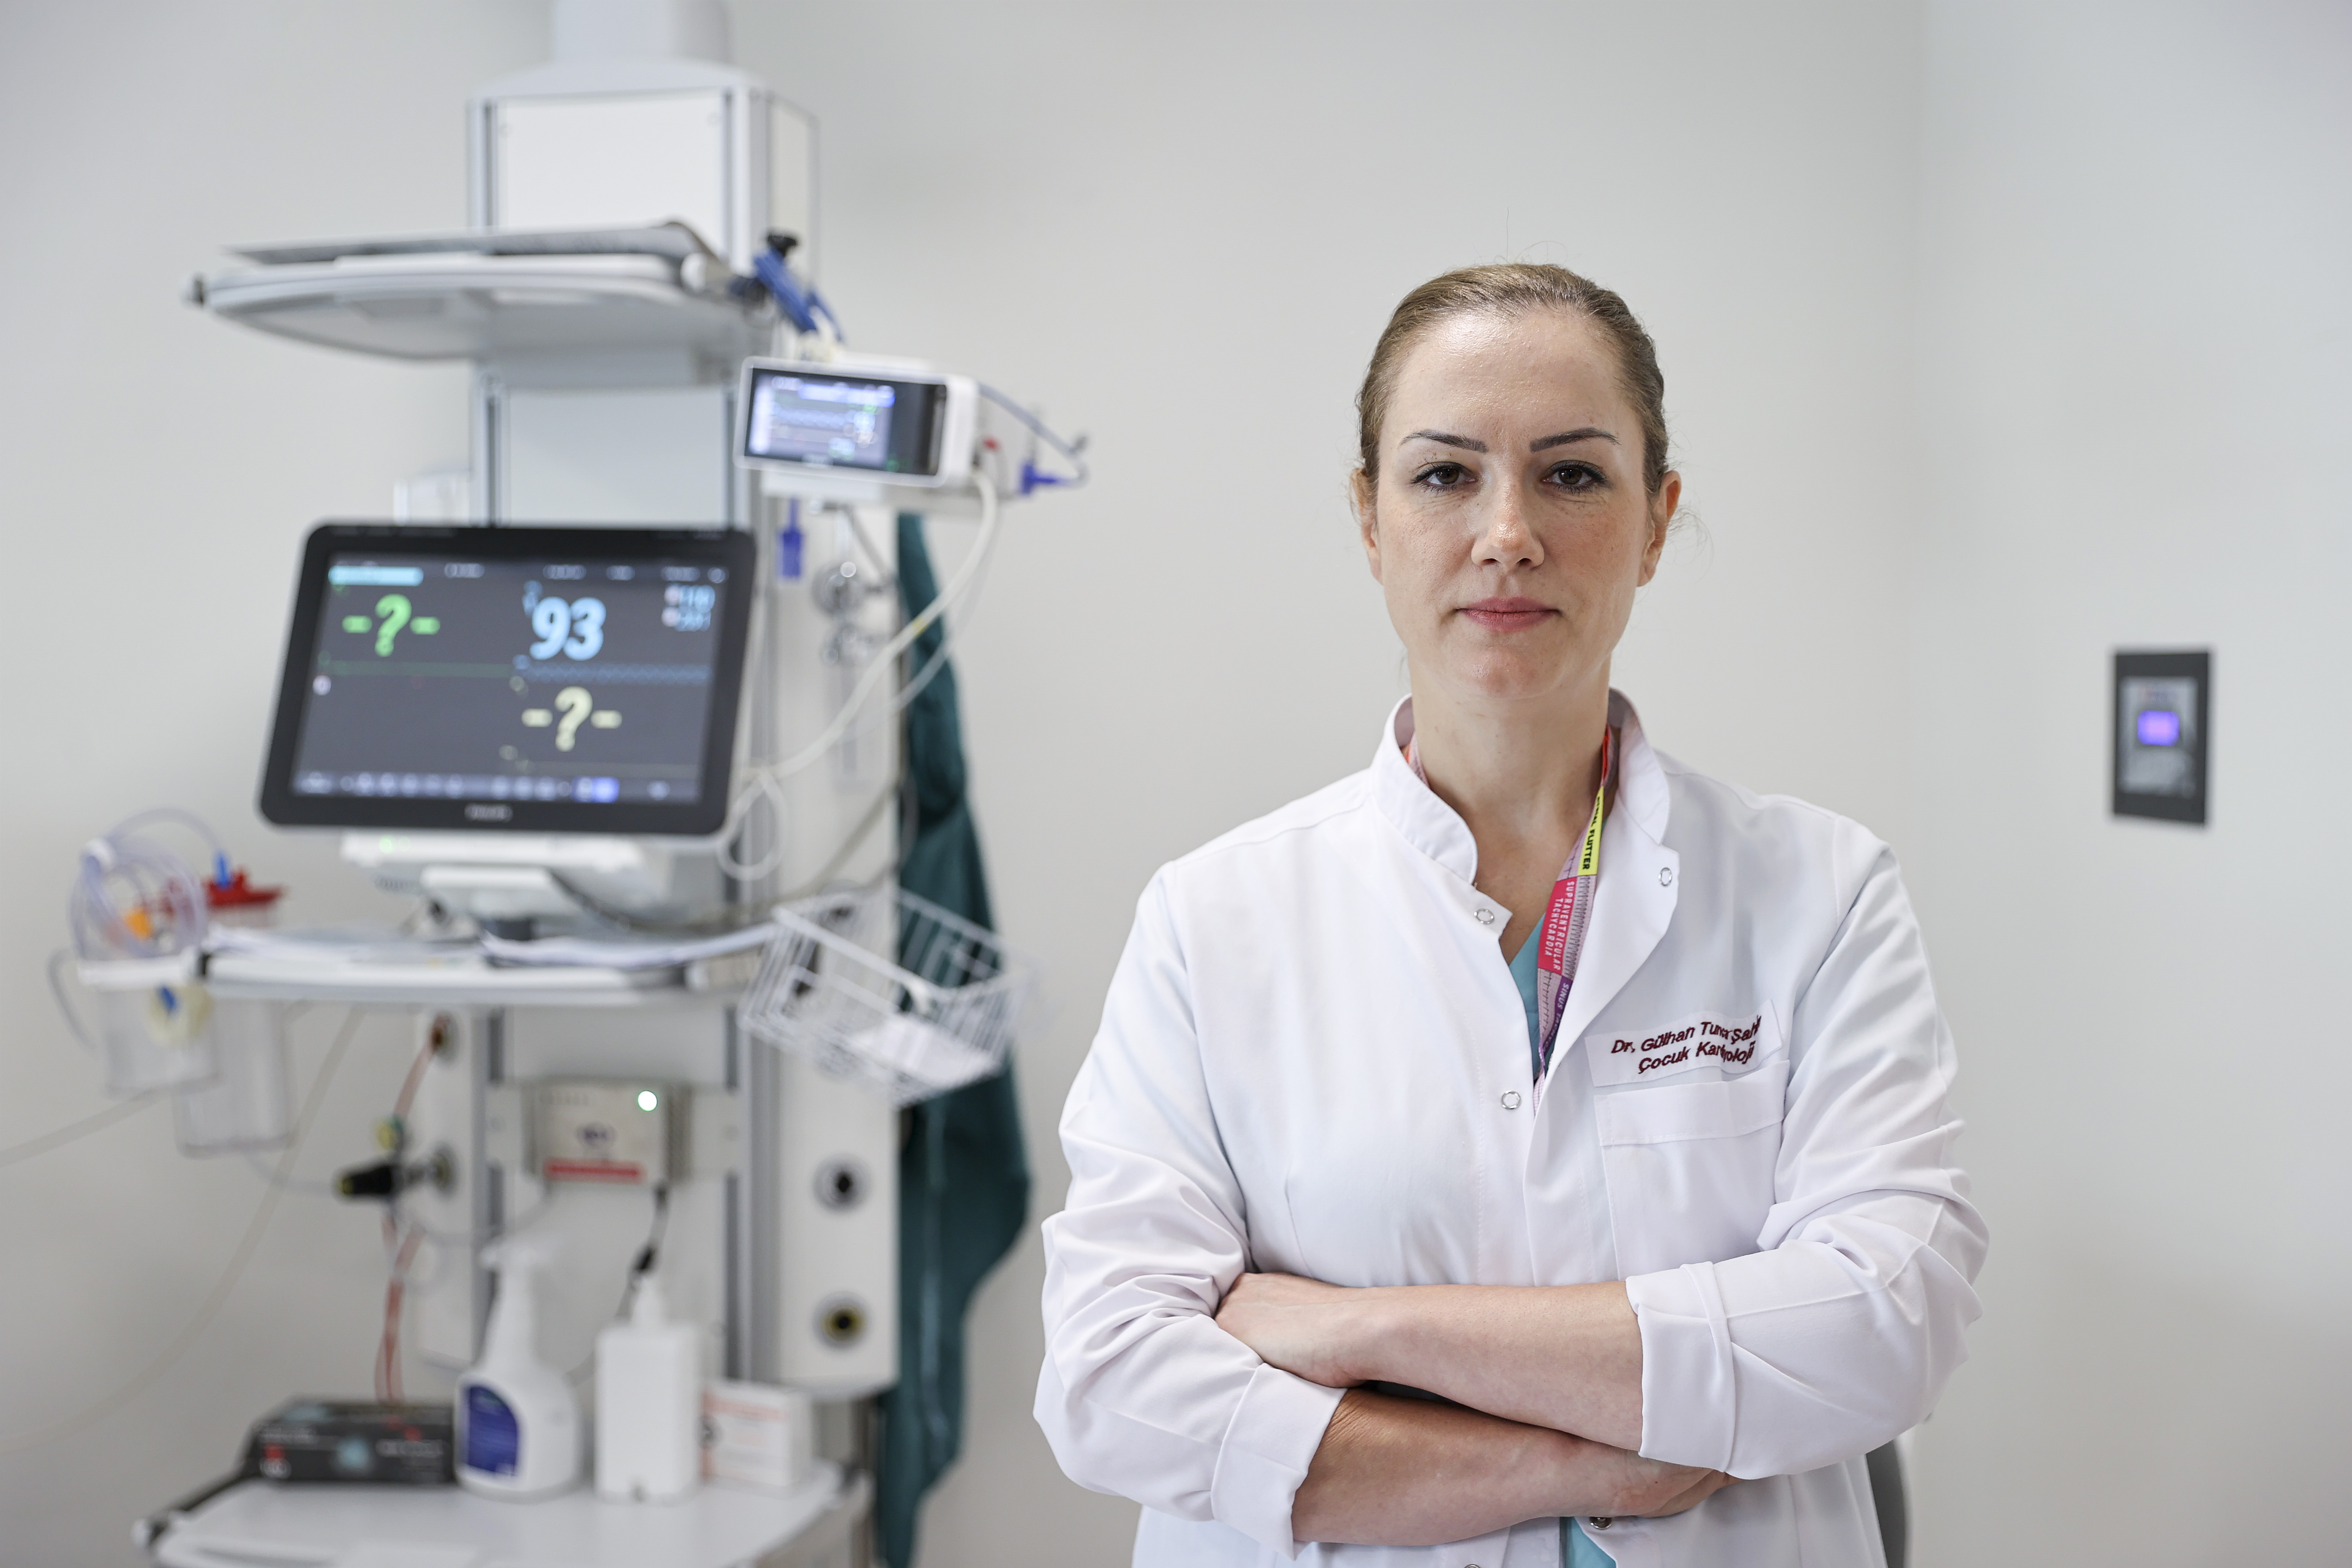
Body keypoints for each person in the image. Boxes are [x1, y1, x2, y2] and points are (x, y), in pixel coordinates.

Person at [1035, 263, 1985, 1568]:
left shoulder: (1819, 893)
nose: (1508, 533)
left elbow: (1889, 1324)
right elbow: (1112, 1384)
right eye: (1444, 475)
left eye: (1572, 475)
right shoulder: (1217, 920)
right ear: (1369, 520)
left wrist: (1373, 1330)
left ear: (1656, 524)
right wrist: (1583, 1463)